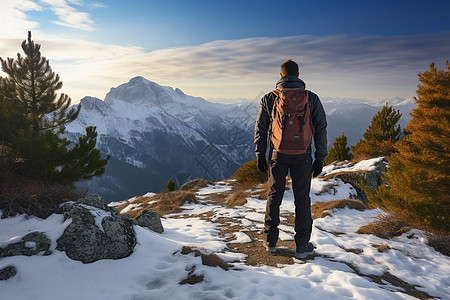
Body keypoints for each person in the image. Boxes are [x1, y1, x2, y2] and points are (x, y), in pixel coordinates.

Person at [254, 59, 327, 258]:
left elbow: (261, 128)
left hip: (278, 154)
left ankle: (270, 241)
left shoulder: (270, 98)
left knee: (274, 196)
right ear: (298, 75)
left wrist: (260, 154)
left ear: (280, 76)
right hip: (303, 156)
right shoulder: (311, 98)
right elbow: (321, 128)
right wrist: (320, 157)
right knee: (302, 199)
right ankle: (302, 245)